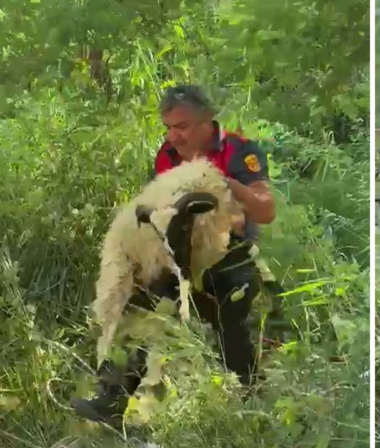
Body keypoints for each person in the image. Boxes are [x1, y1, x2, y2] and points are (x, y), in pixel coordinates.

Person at [72, 85, 277, 427]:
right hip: (176, 253)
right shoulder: (167, 154)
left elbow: (266, 210)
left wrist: (223, 184)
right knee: (138, 306)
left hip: (230, 253)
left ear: (207, 121)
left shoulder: (239, 150)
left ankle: (248, 405)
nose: (173, 136)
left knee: (234, 316)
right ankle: (111, 400)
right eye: (168, 127)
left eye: (181, 127)